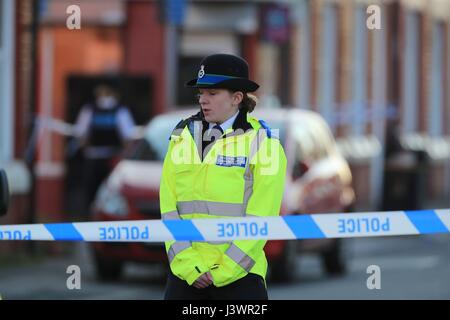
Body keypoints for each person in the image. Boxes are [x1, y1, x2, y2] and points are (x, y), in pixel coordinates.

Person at [160, 53, 287, 300]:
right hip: (185, 276)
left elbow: (261, 218)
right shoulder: (181, 136)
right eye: (201, 93)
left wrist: (222, 271)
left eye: (212, 93)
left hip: (241, 279)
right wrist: (189, 266)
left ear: (237, 98)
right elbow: (168, 207)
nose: (203, 100)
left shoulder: (266, 144)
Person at [73, 84, 136, 216]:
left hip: (101, 157)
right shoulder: (118, 110)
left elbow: (80, 134)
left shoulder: (93, 109)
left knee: (99, 192)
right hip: (105, 158)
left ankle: (94, 217)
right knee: (103, 192)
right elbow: (128, 137)